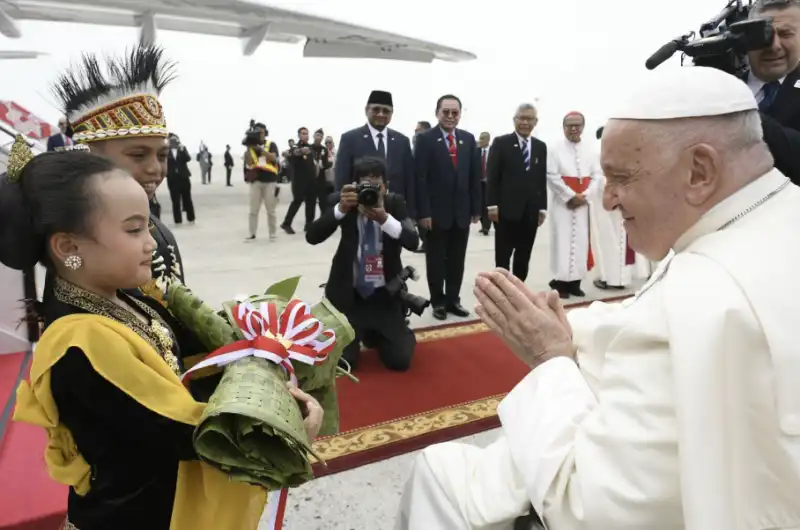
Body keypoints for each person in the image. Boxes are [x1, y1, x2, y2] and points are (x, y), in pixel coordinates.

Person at [397, 66, 800, 530]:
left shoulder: (704, 295)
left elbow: (587, 508)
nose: (608, 201)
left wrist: (549, 359)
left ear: (700, 171)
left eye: (622, 177)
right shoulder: (764, 219)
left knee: (439, 473)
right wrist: (573, 330)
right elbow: (648, 320)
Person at [0, 146, 324, 529]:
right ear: (70, 248)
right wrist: (279, 426)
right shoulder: (83, 342)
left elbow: (184, 362)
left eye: (149, 225)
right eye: (134, 229)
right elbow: (187, 432)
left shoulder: (122, 297)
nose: (151, 242)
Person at [52, 44, 185, 289]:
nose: (155, 168)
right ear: (89, 156)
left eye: (163, 155)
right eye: (138, 155)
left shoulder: (154, 227)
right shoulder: (83, 243)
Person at [307, 156, 419, 372]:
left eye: (376, 184)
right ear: (352, 186)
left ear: (386, 185)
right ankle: (362, 333)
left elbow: (413, 242)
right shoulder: (342, 204)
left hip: (384, 297)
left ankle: (387, 332)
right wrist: (340, 209)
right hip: (350, 299)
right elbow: (312, 236)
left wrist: (384, 218)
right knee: (346, 363)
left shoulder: (395, 203)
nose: (370, 192)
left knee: (400, 361)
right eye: (363, 184)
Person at [415, 94, 481, 321]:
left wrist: (476, 208)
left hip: (461, 213)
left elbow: (474, 177)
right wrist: (422, 213)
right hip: (434, 215)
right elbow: (420, 179)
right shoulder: (424, 140)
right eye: (446, 112)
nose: (451, 117)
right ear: (437, 113)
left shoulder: (468, 139)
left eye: (455, 112)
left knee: (456, 261)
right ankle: (438, 302)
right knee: (435, 261)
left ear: (460, 114)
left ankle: (453, 300)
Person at [486, 104, 548, 281]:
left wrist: (542, 208)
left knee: (524, 255)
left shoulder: (540, 147)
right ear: (514, 120)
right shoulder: (501, 143)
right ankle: (501, 289)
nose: (525, 122)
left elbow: (540, 179)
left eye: (529, 119)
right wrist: (491, 205)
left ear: (535, 122)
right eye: (521, 118)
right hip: (506, 211)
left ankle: (519, 290)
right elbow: (492, 177)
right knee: (503, 256)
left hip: (530, 212)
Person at [545, 111, 603, 299]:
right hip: (563, 204)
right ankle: (560, 283)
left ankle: (575, 282)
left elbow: (597, 176)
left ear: (583, 127)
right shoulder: (554, 148)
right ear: (563, 127)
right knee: (562, 242)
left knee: (581, 243)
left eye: (577, 125)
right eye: (569, 125)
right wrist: (569, 196)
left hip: (583, 204)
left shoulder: (591, 149)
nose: (573, 128)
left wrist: (584, 196)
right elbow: (551, 175)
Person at [334, 90, 415, 217]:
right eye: (376, 109)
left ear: (392, 114)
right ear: (366, 110)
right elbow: (341, 179)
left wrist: (411, 213)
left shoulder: (402, 141)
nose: (381, 114)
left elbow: (409, 180)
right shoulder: (350, 139)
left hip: (395, 210)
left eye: (386, 111)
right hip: (360, 210)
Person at [745, 0, 800, 184]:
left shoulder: (724, 93)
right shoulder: (719, 81)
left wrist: (738, 108)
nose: (773, 45)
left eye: (785, 34)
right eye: (764, 34)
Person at [244, 123, 280, 242]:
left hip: (270, 181)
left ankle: (272, 233)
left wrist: (260, 150)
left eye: (262, 132)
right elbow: (249, 163)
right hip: (256, 181)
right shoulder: (251, 147)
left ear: (265, 133)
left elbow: (273, 158)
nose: (259, 133)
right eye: (257, 131)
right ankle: (252, 234)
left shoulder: (271, 145)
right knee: (253, 210)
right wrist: (249, 148)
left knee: (271, 209)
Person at [280, 127, 317, 234]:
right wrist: (300, 151)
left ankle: (309, 224)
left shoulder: (310, 148)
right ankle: (286, 223)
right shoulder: (295, 147)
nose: (306, 135)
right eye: (303, 133)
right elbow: (287, 154)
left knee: (311, 202)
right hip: (299, 180)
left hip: (311, 180)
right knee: (297, 201)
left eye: (307, 133)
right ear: (299, 135)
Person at [167, 133, 195, 226]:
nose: (174, 143)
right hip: (172, 179)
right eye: (172, 141)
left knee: (187, 199)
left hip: (184, 177)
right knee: (175, 200)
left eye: (175, 141)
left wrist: (182, 151)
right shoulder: (166, 151)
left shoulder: (182, 149)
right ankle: (178, 220)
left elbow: (188, 159)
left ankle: (191, 218)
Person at [310, 128, 333, 214]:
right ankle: (309, 224)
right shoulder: (309, 148)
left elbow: (327, 163)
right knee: (311, 203)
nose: (319, 137)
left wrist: (326, 165)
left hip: (321, 180)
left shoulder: (324, 150)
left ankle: (323, 221)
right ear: (314, 136)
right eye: (317, 135)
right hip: (311, 180)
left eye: (320, 136)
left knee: (323, 203)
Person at [477, 131, 494, 235]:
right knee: (479, 205)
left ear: (488, 140)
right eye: (480, 138)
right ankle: (483, 224)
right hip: (479, 183)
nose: (481, 140)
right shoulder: (476, 151)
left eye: (483, 138)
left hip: (489, 183)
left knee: (487, 205)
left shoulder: (494, 151)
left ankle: (486, 227)